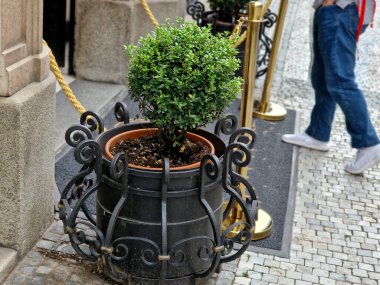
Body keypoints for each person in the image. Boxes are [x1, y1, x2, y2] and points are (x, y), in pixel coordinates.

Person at [282, 0, 380, 174]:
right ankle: (318, 134)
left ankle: (369, 143)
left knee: (340, 80)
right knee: (322, 77)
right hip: (334, 8)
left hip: (340, 9)